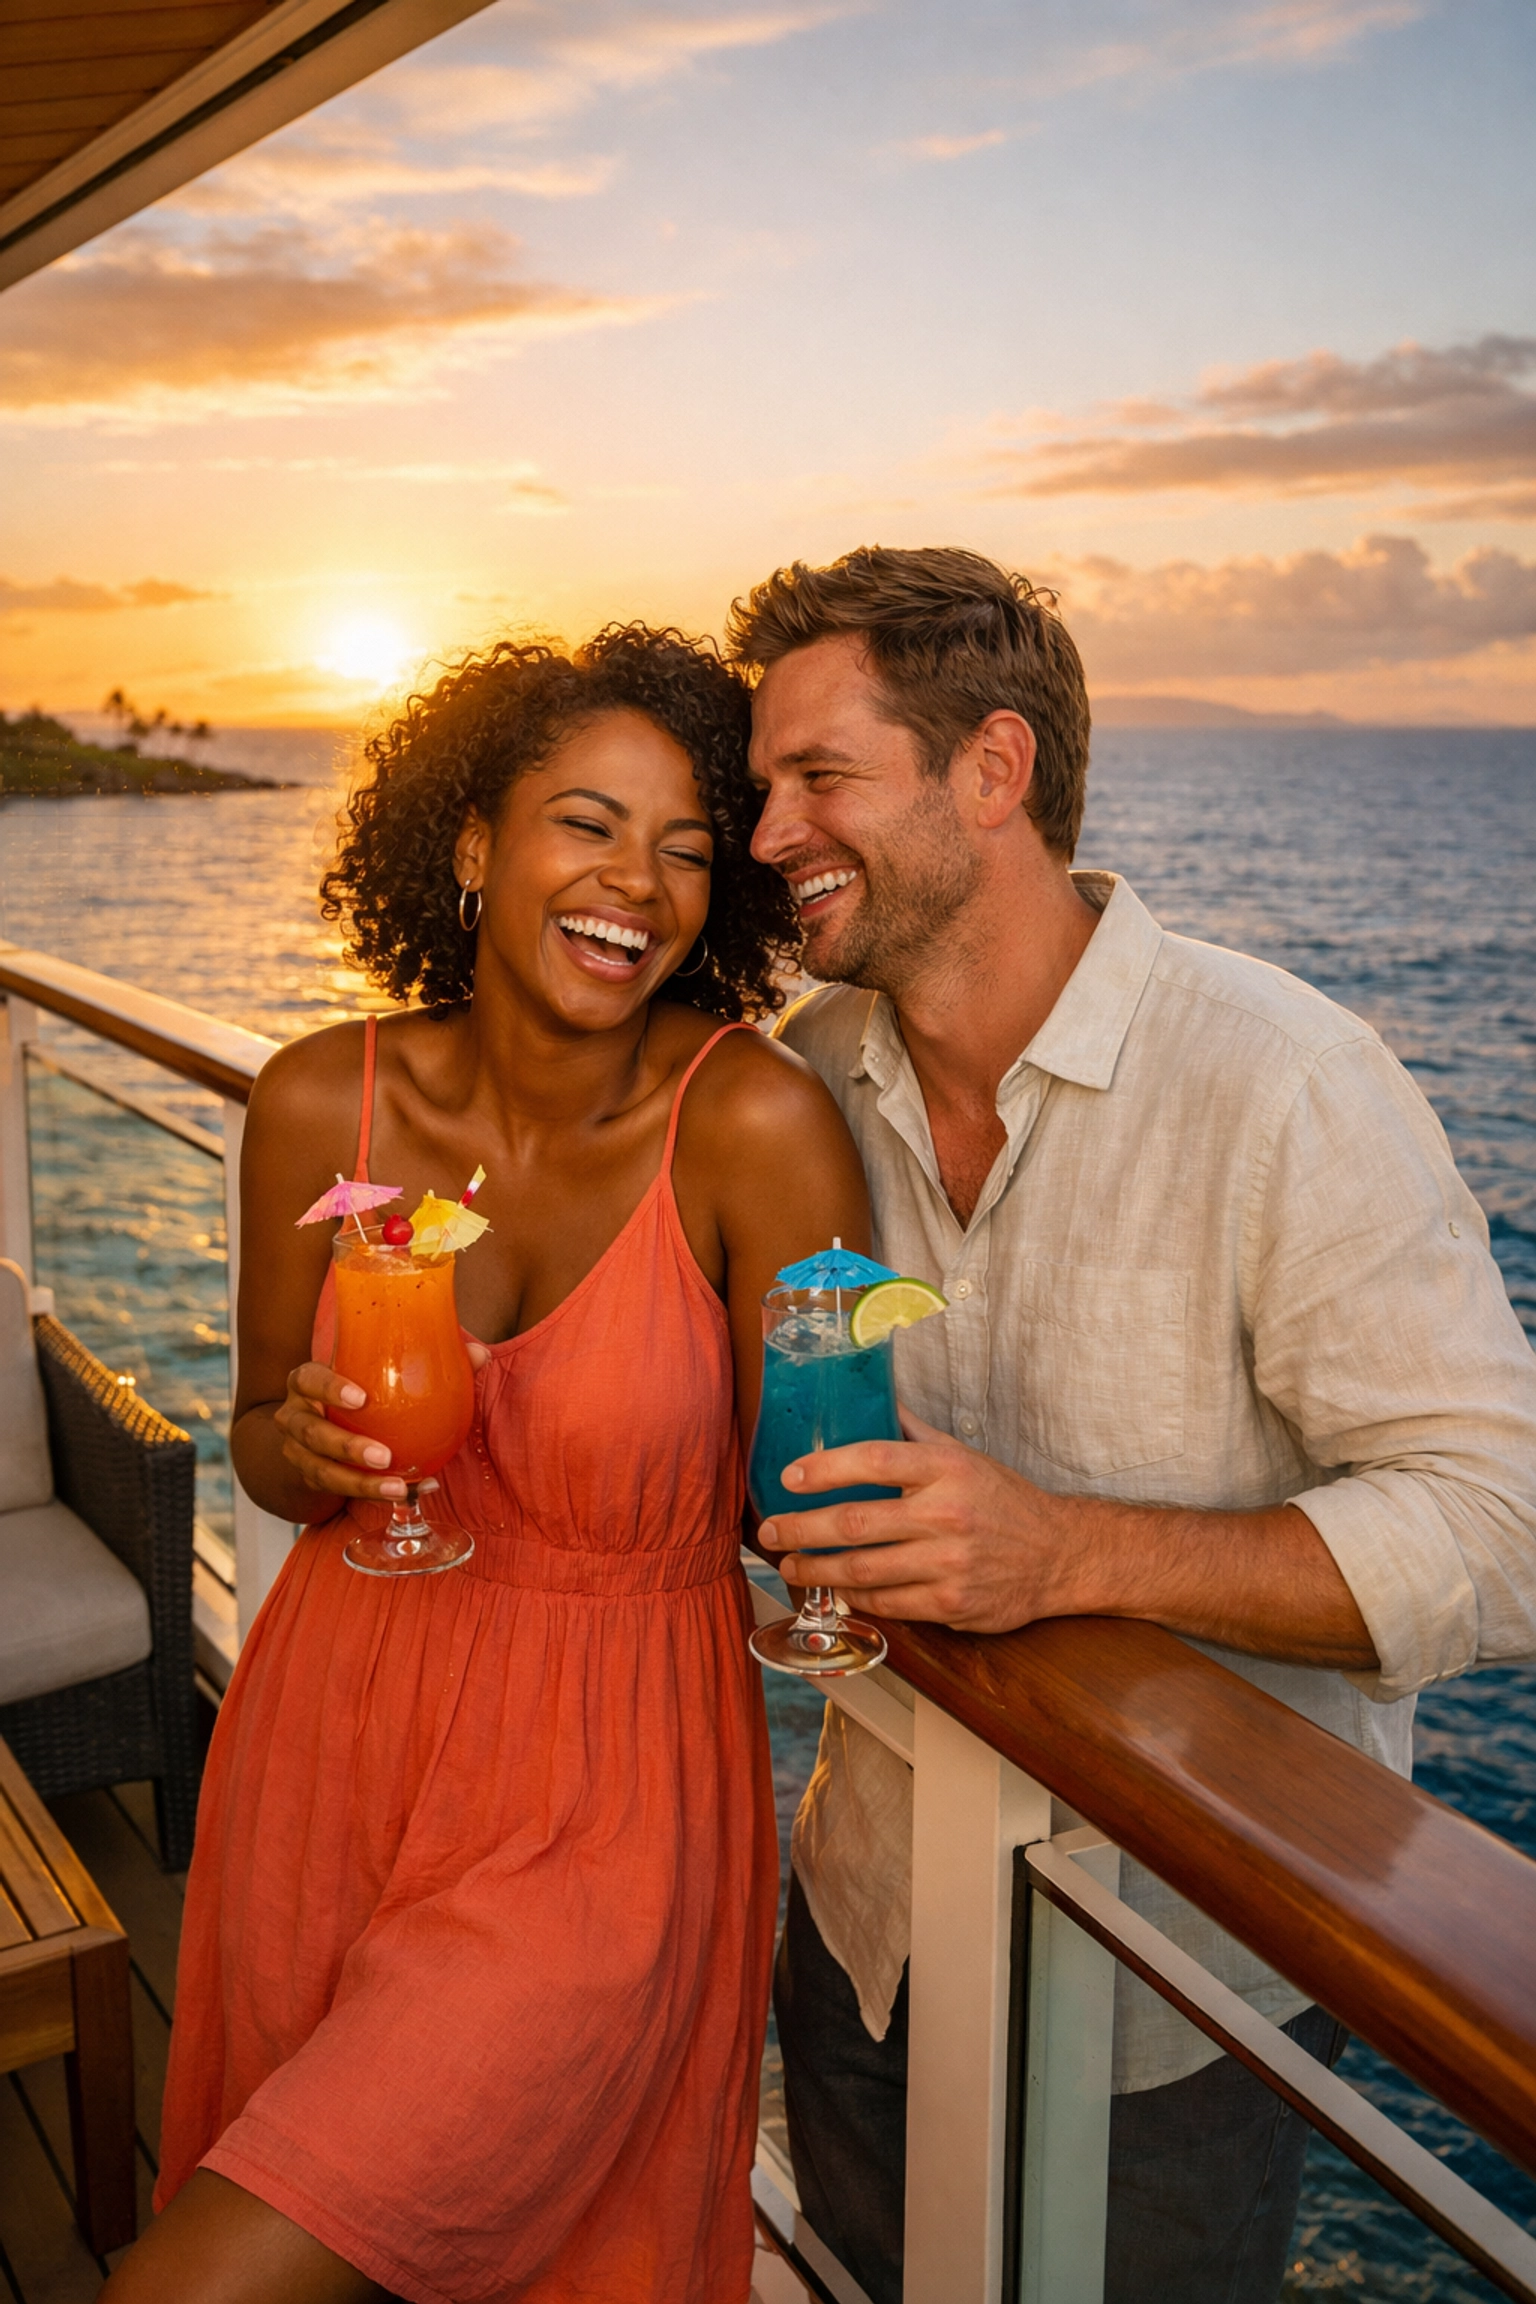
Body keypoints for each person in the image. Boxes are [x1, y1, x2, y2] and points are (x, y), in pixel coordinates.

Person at [726, 546, 1536, 2304]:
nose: (767, 830)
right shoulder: (803, 1067)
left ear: (992, 769)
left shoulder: (1285, 1084)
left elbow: (1505, 1530)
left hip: (1174, 1997)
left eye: (819, 777)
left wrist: (1069, 1552)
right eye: (763, 784)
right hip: (862, 1921)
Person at [105, 625, 873, 2304]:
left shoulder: (752, 1128)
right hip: (332, 1739)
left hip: (604, 1803)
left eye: (686, 848)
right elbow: (263, 1444)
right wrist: (301, 1444)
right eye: (586, 823)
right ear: (473, 842)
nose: (636, 883)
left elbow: (815, 1482)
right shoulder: (321, 1104)